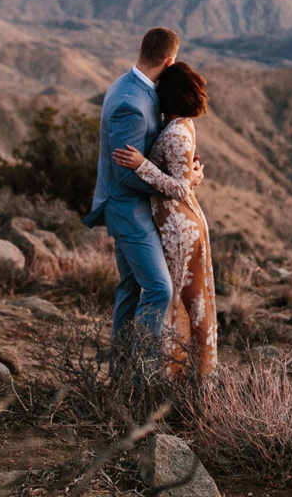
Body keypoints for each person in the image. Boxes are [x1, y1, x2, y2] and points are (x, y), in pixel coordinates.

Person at [113, 61, 217, 378]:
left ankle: (174, 377)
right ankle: (177, 376)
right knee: (183, 302)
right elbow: (186, 176)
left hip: (177, 226)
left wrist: (142, 165)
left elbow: (179, 187)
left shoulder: (175, 134)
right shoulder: (181, 126)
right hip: (180, 221)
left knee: (178, 302)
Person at [84, 27, 180, 343]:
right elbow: (125, 173)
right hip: (127, 209)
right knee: (158, 289)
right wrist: (173, 185)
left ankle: (122, 372)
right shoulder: (132, 103)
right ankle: (142, 377)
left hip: (127, 206)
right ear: (169, 62)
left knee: (130, 287)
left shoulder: (126, 85)